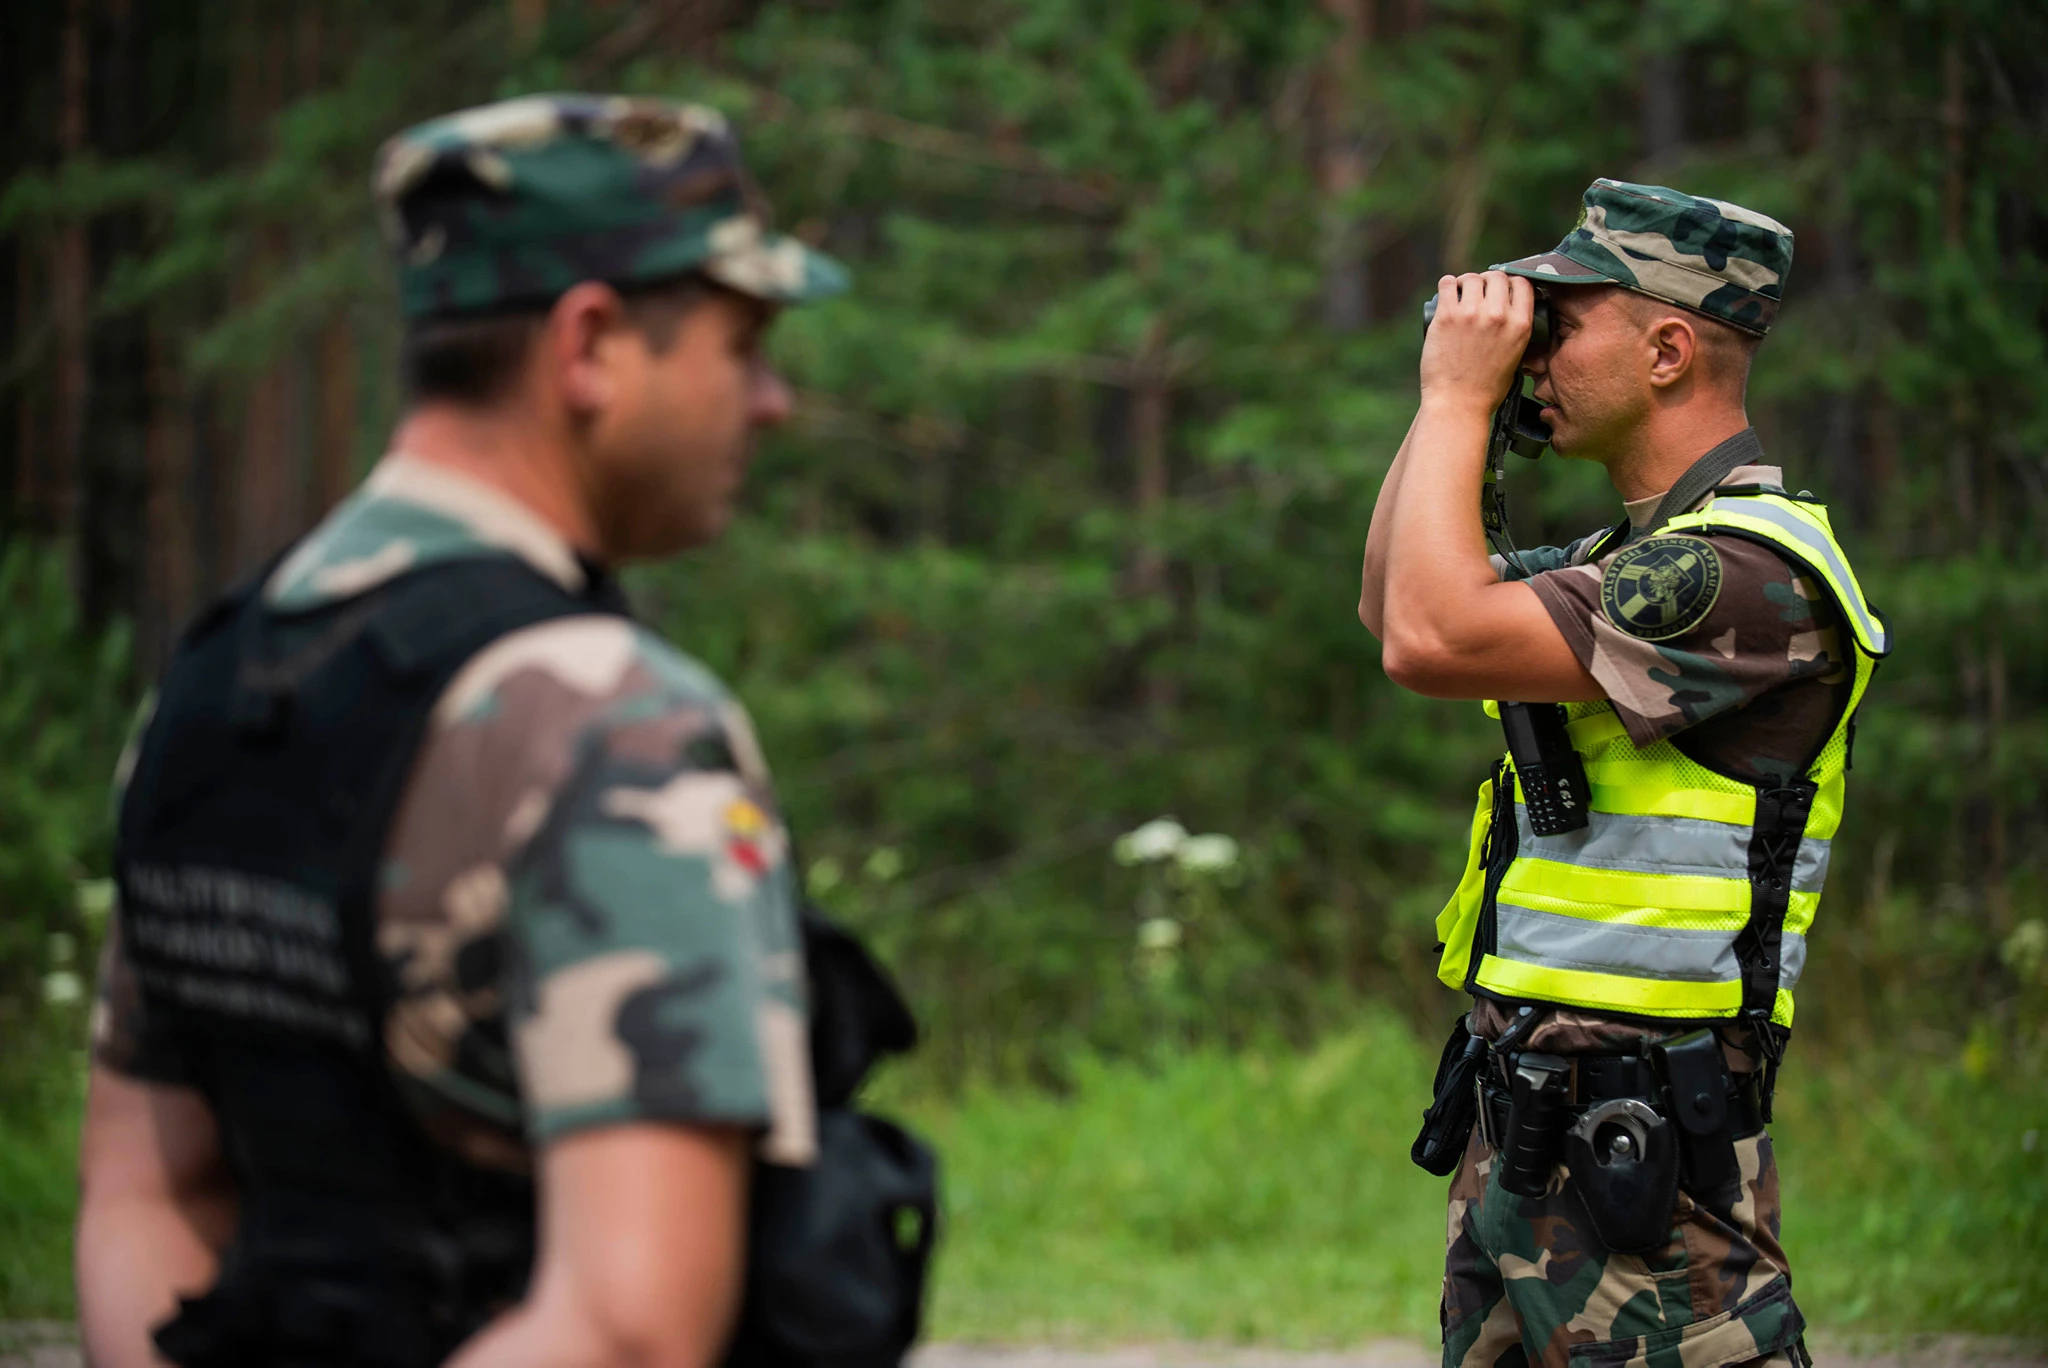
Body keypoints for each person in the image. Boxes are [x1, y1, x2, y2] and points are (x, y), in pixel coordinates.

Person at [77, 94, 928, 1368]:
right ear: (588, 346)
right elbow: (630, 1328)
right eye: (738, 345)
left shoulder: (217, 683)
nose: (770, 402)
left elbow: (146, 1194)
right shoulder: (609, 724)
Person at [1359, 179, 1888, 1368]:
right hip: (1524, 1129)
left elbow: (1428, 641)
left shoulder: (1746, 576)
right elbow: (1392, 598)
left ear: (1664, 349)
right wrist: (1456, 405)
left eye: (1564, 321)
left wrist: (1458, 393)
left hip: (1647, 1158)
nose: (1532, 349)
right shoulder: (1628, 560)